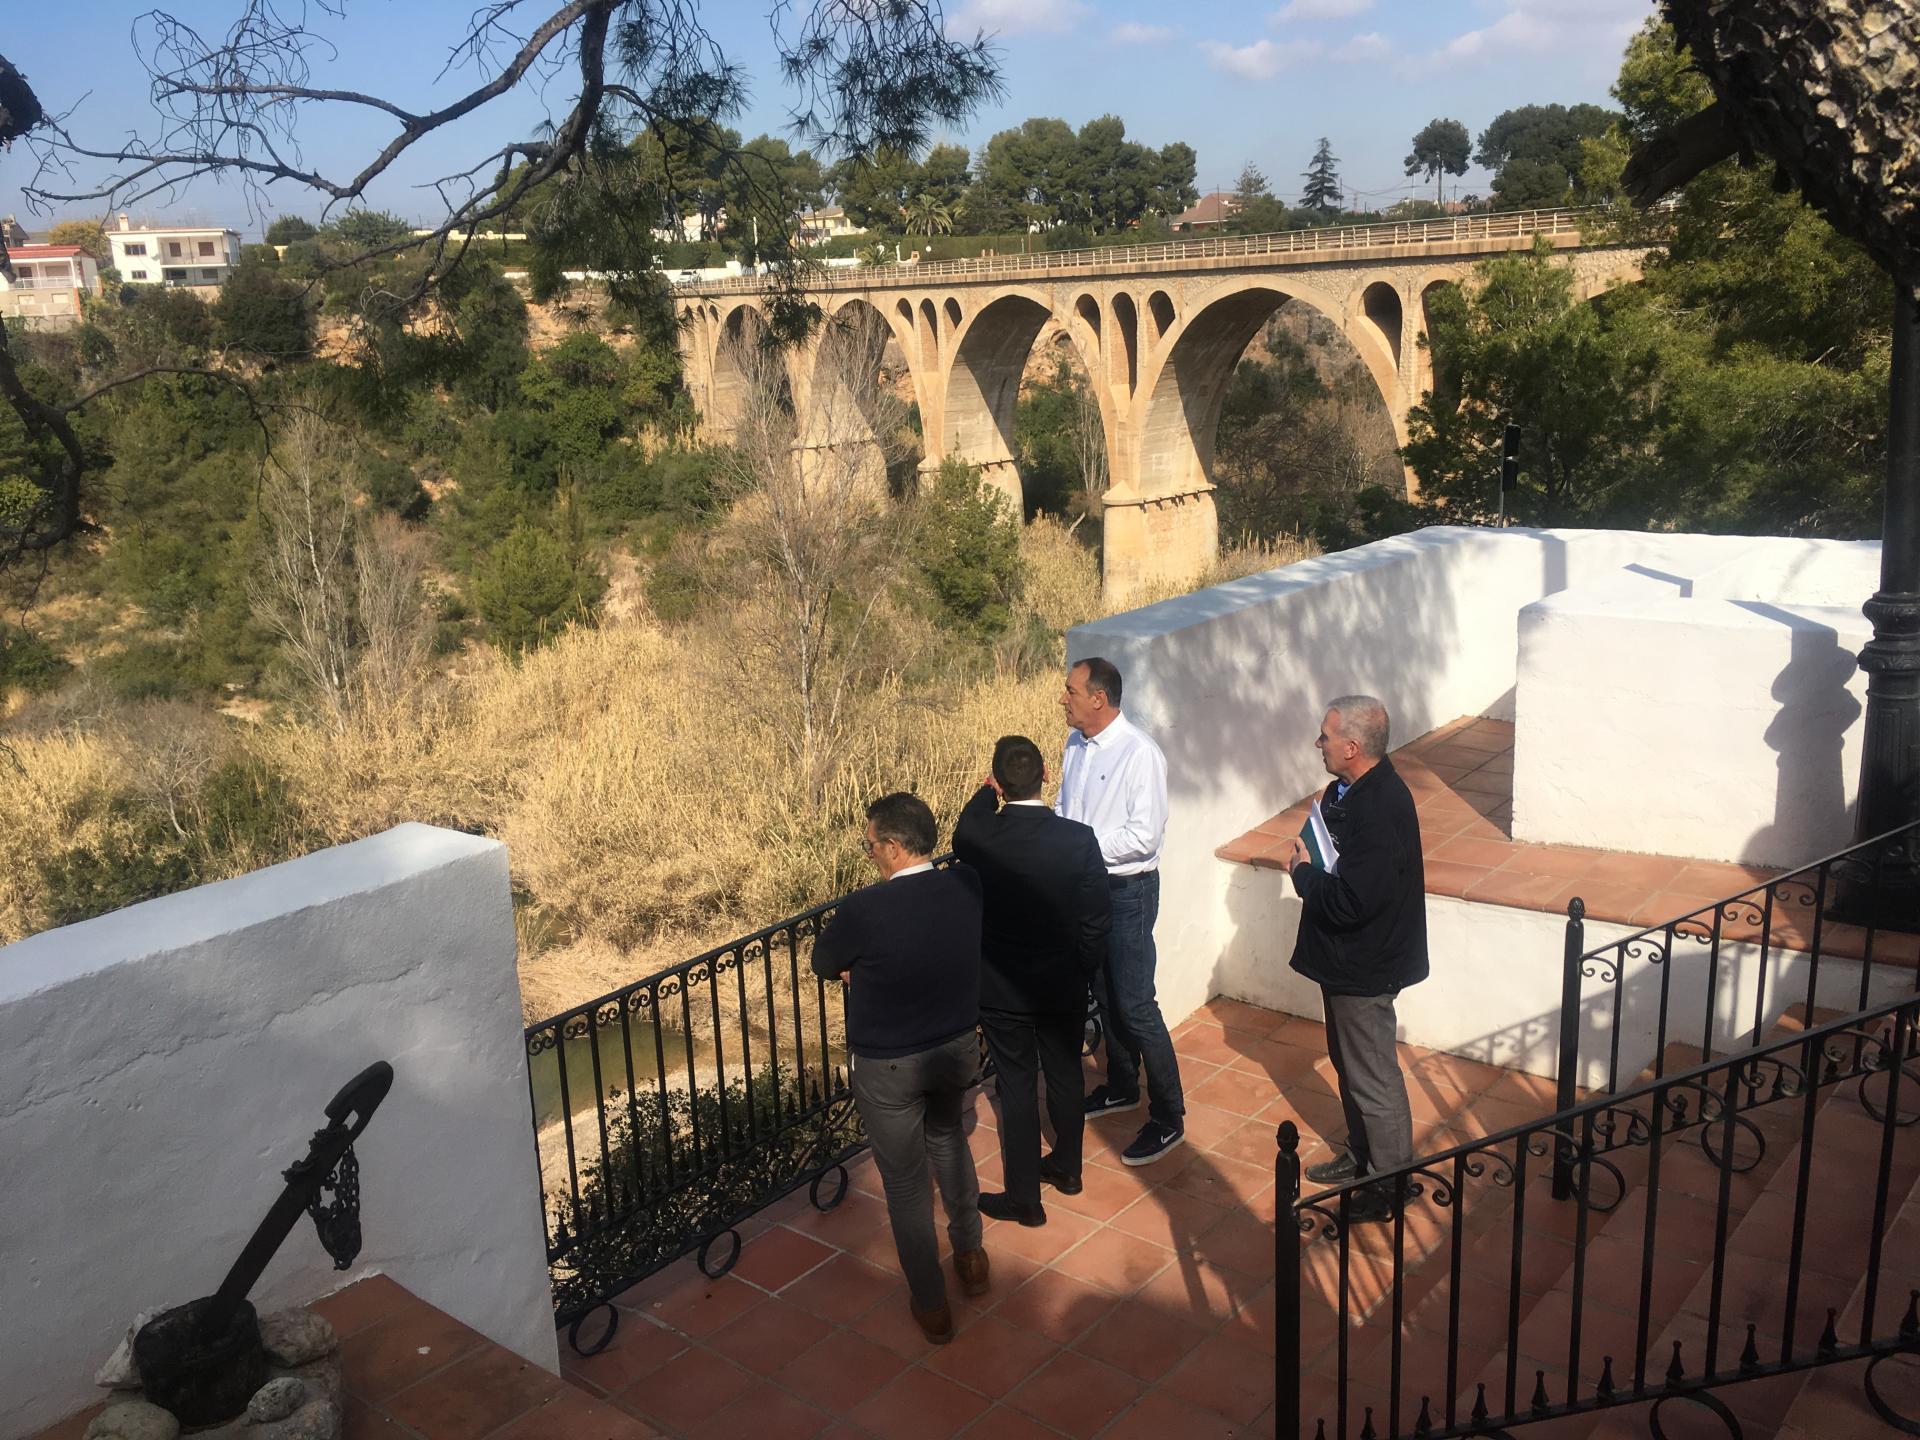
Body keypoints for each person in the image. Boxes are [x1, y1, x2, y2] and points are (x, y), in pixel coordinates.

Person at [811, 792, 989, 1343]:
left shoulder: (865, 909)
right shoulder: (966, 884)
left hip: (889, 1064)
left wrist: (858, 972)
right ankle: (971, 1257)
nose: (870, 855)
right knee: (949, 1141)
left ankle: (932, 1304)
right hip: (955, 1048)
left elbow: (823, 961)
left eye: (870, 846)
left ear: (891, 847)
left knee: (907, 1185)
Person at [953, 735, 1112, 1226]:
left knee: (1017, 1086)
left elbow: (964, 826)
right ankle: (1068, 1168)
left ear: (999, 784)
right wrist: (1081, 968)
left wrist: (986, 790)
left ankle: (1024, 1199)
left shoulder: (982, 837)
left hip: (1002, 989)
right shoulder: (1079, 840)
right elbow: (1096, 919)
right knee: (1065, 1073)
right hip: (1062, 982)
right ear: (1047, 775)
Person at [1283, 695, 1429, 1225]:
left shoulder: (1382, 808)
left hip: (1366, 965)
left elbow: (1352, 901)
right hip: (1342, 960)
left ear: (1351, 747)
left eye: (1325, 737)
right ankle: (1362, 1155)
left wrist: (1303, 874)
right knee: (1349, 1062)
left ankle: (1389, 1184)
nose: (1317, 744)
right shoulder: (1346, 791)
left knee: (1372, 1076)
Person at [1057, 656, 1186, 1166]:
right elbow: (1067, 811)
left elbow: (1143, 836)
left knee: (1135, 1004)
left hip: (1128, 892)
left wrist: (1080, 850)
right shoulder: (1074, 746)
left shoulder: (1140, 754)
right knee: (1105, 993)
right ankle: (1122, 1085)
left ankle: (1169, 1115)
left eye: (1070, 691)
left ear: (1099, 698)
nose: (1062, 699)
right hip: (1087, 889)